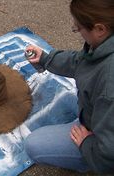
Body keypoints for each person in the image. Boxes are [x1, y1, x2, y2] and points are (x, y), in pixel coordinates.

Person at [24, 0, 114, 174]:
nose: (77, 31)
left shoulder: (109, 89)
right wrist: (46, 59)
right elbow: (82, 62)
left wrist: (87, 144)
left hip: (106, 153)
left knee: (34, 144)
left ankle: (88, 163)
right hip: (102, 112)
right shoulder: (105, 44)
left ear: (100, 29)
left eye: (78, 28)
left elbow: (109, 154)